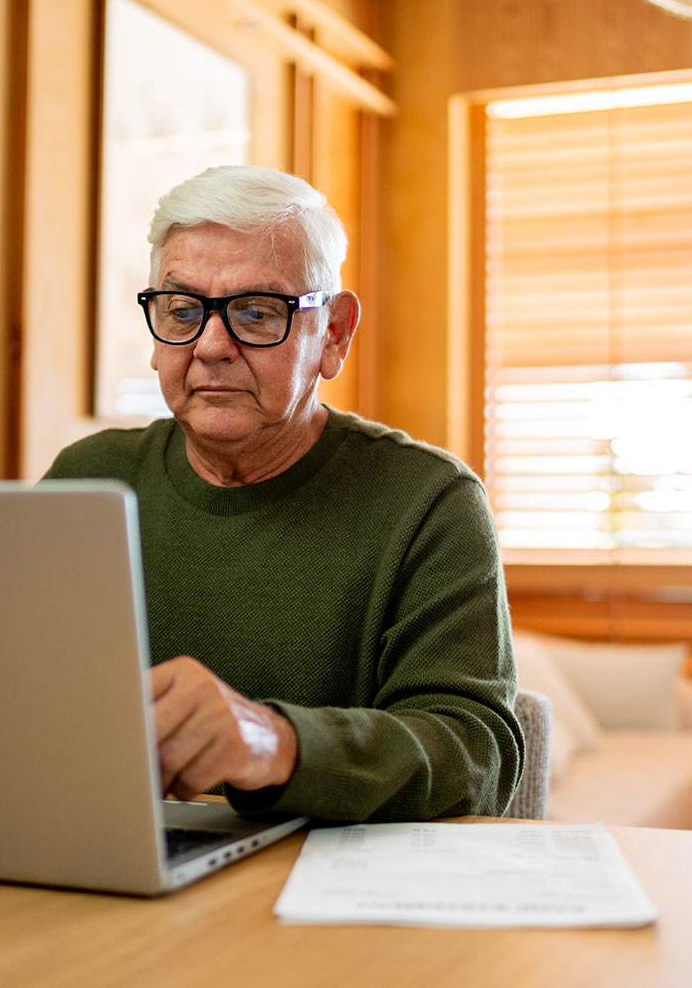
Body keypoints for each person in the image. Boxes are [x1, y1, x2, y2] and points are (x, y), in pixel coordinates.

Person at [43, 165, 521, 822]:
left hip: (331, 891)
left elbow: (476, 755)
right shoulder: (86, 481)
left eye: (257, 312)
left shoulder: (429, 501)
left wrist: (279, 746)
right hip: (110, 859)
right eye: (183, 310)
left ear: (334, 334)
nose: (211, 346)